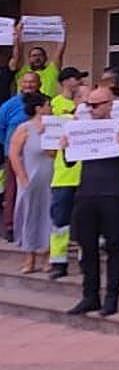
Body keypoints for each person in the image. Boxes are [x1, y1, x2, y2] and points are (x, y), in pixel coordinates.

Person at [62, 87, 119, 316]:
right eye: (89, 105)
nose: (92, 109)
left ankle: (111, 297)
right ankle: (90, 296)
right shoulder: (80, 129)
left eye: (96, 105)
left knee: (114, 246)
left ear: (109, 104)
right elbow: (69, 163)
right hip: (86, 193)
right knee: (87, 248)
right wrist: (66, 146)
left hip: (112, 194)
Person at [47, 66, 86, 279]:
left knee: (84, 223)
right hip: (63, 175)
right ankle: (58, 261)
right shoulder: (57, 109)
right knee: (60, 221)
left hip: (87, 177)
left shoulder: (92, 116)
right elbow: (49, 146)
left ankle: (84, 260)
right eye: (77, 81)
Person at [10, 91, 53, 274]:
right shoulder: (24, 128)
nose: (50, 108)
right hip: (31, 177)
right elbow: (14, 154)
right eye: (47, 105)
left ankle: (47, 257)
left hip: (50, 177)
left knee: (49, 216)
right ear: (39, 108)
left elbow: (55, 153)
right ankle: (29, 258)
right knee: (30, 216)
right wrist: (23, 178)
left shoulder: (54, 126)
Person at [2, 71, 43, 240]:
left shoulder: (45, 102)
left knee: (38, 191)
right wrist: (11, 145)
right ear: (20, 83)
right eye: (25, 82)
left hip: (40, 156)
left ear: (39, 84)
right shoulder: (9, 105)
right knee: (12, 191)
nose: (28, 85)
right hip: (14, 155)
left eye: (32, 82)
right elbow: (1, 128)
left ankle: (36, 225)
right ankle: (11, 227)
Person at [9, 21, 65, 95]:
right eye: (34, 56)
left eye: (40, 55)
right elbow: (18, 53)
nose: (37, 58)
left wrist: (62, 32)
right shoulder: (23, 71)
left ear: (45, 58)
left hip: (46, 105)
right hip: (25, 105)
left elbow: (60, 51)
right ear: (29, 58)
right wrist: (18, 36)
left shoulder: (52, 70)